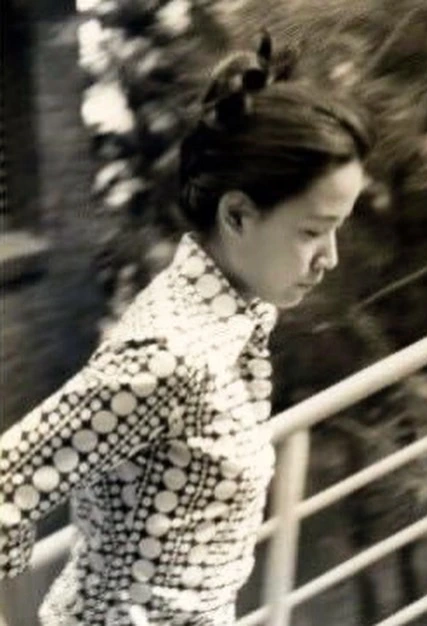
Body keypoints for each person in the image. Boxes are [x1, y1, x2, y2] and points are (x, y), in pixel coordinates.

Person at [0, 31, 371, 626]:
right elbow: (8, 482)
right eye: (312, 231)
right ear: (237, 214)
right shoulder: (171, 357)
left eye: (336, 230)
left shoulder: (234, 313)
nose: (330, 256)